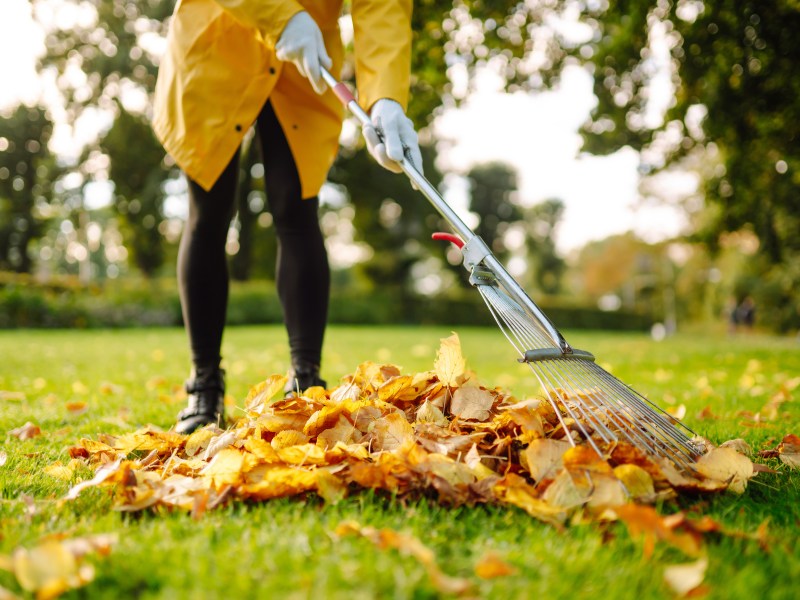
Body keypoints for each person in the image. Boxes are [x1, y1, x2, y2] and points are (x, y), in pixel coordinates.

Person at [151, 0, 422, 434]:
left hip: (307, 59)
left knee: (297, 210)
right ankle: (204, 388)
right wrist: (280, 15)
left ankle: (306, 385)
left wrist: (386, 97)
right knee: (209, 212)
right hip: (220, 38)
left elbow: (383, 5)